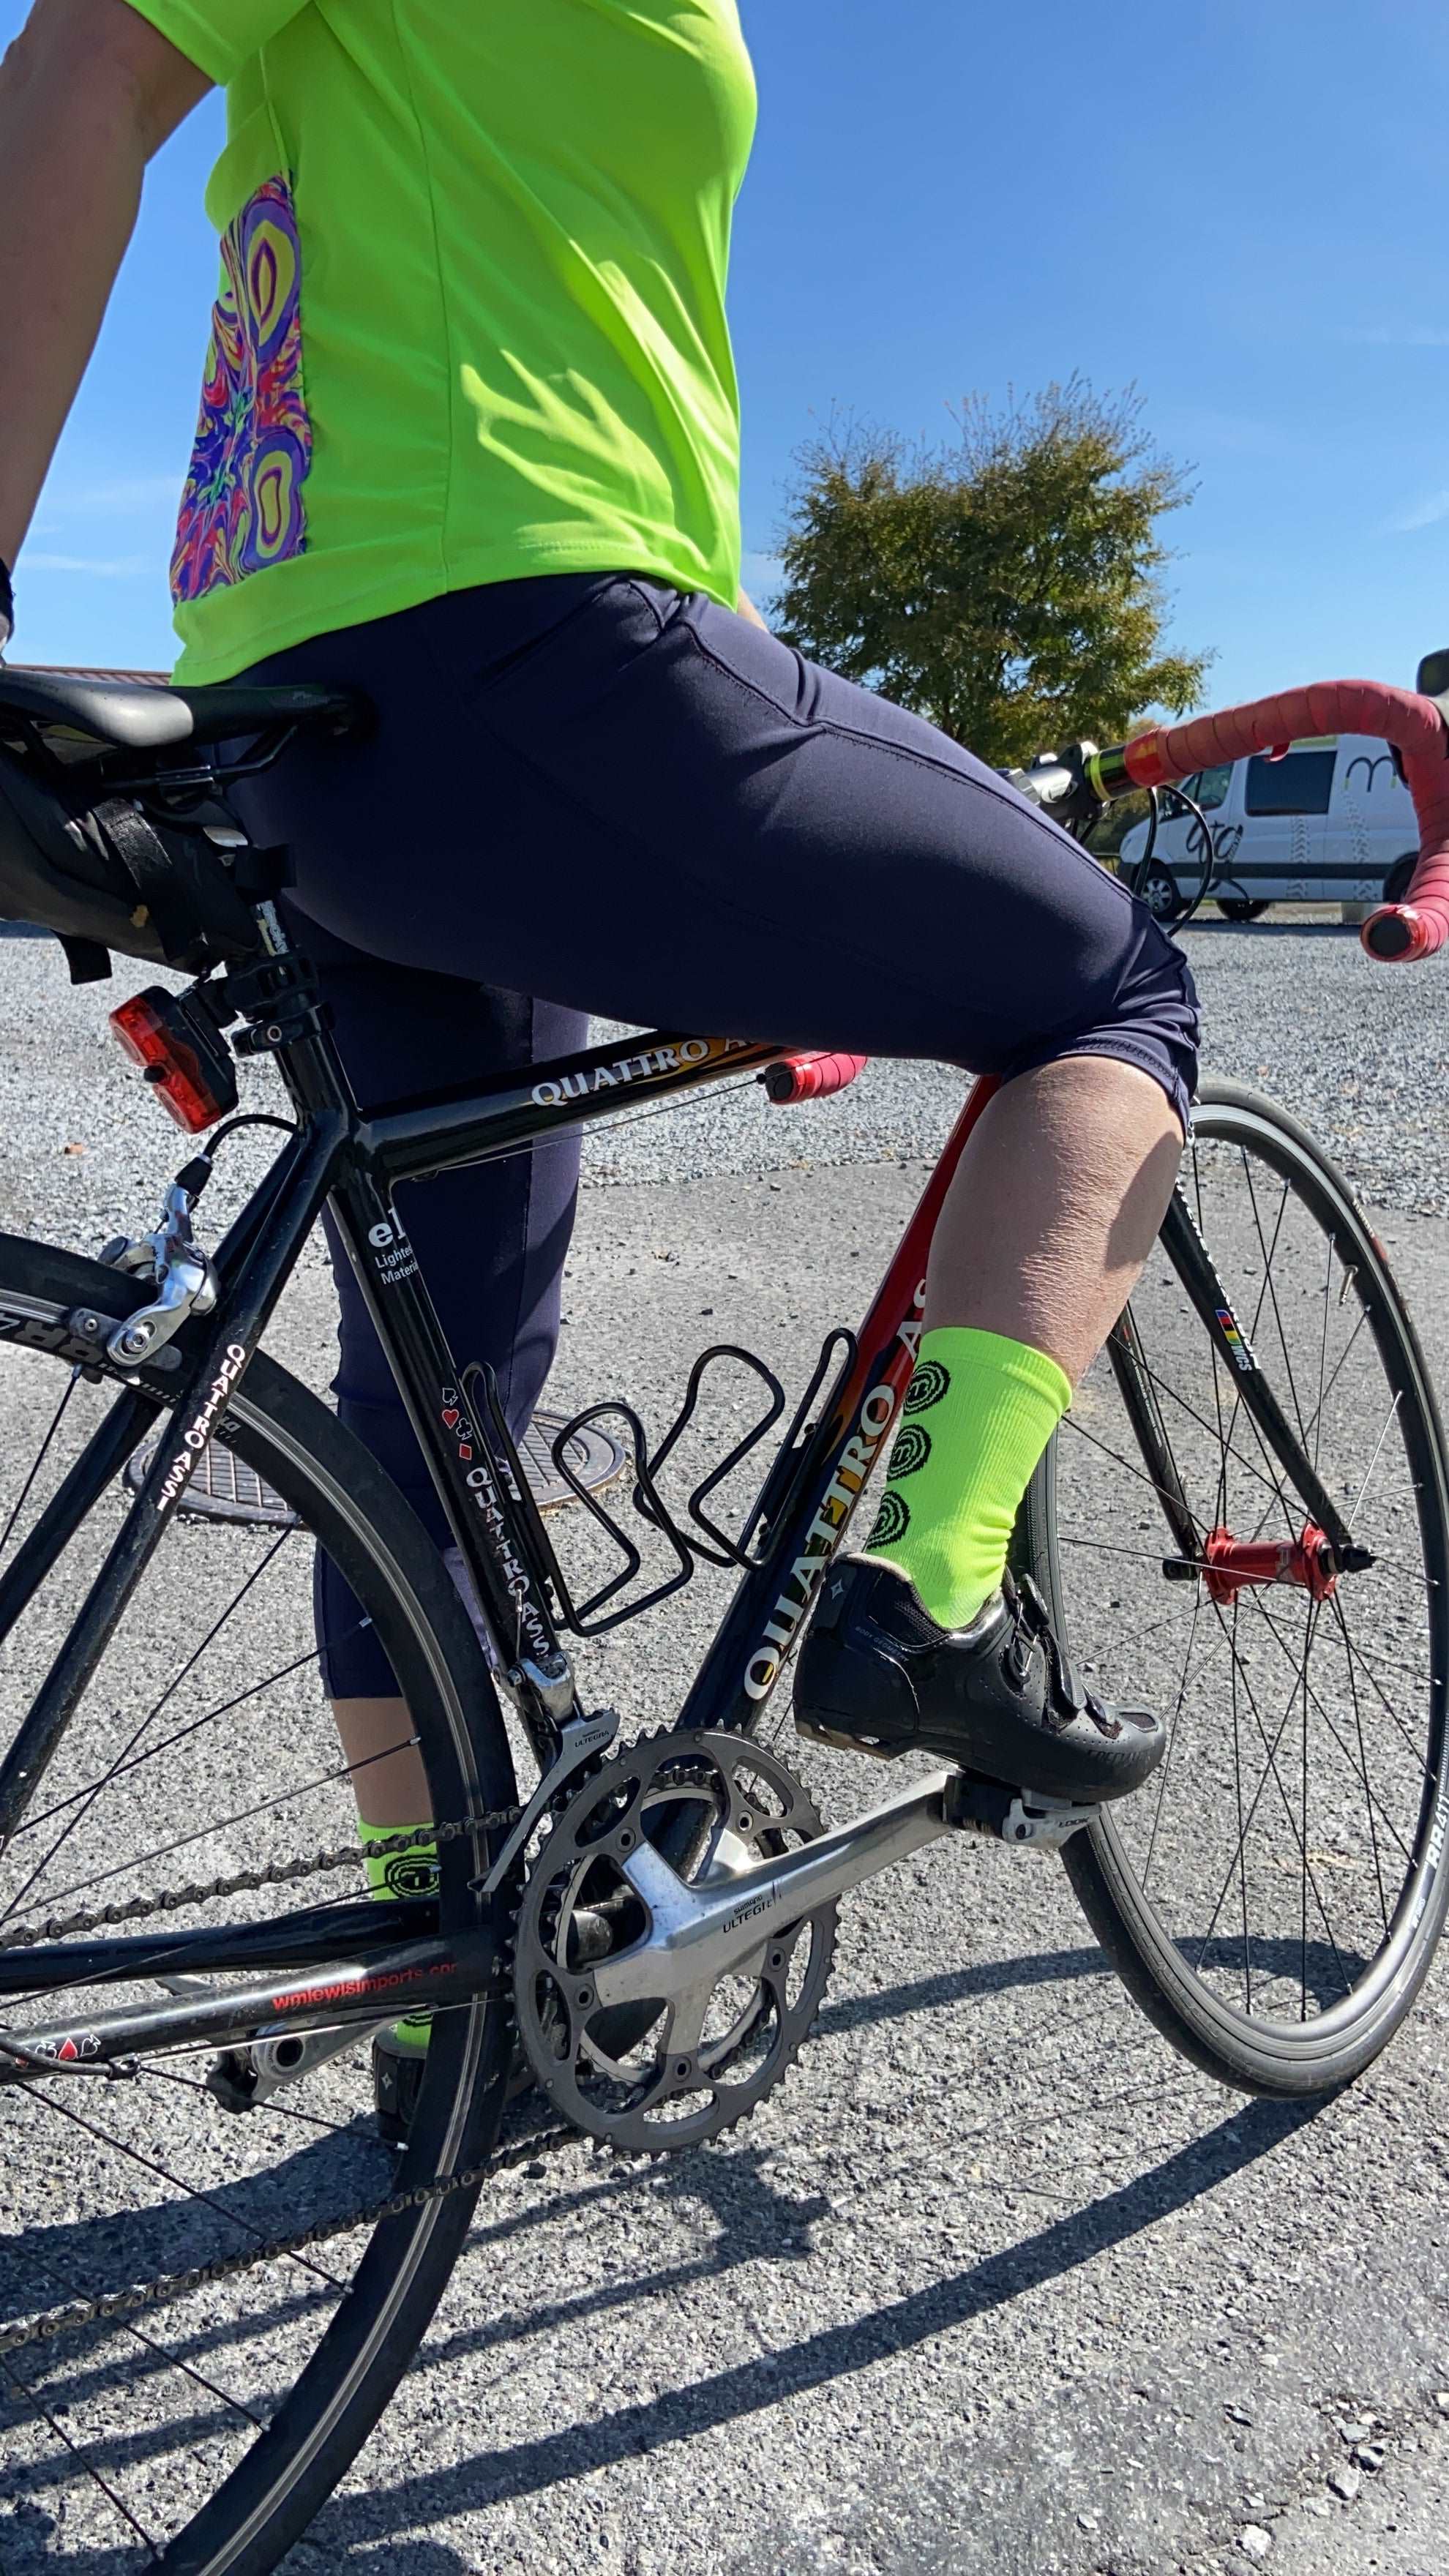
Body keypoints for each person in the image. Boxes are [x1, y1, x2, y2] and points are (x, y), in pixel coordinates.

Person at [0, 0, 1195, 2119]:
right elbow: (92, 49)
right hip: (536, 645)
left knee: (433, 1415)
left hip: (320, 728)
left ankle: (438, 1992)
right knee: (1106, 991)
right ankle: (917, 1605)